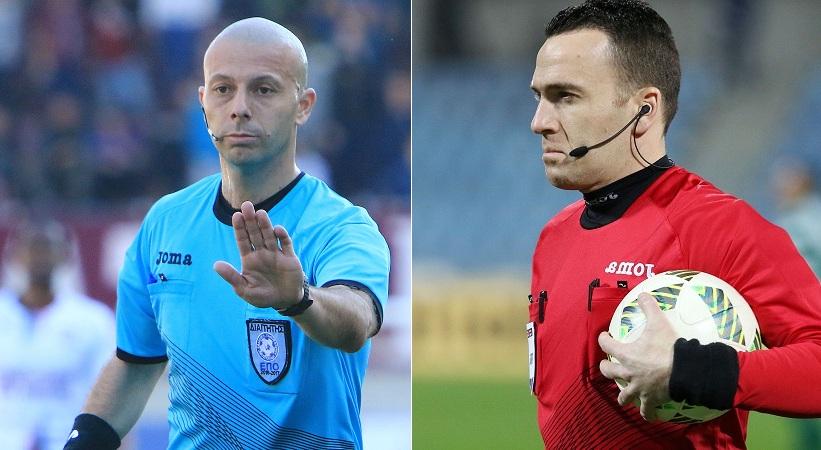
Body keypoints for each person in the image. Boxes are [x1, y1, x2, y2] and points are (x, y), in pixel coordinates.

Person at [64, 17, 390, 450]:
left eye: (263, 89)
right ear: (203, 103)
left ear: (304, 105)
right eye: (223, 89)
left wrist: (299, 299)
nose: (239, 107)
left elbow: (356, 322)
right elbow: (134, 363)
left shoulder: (342, 226)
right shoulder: (165, 222)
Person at [527, 0, 821, 448]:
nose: (539, 123)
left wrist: (695, 370)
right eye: (540, 98)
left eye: (565, 97)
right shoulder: (554, 237)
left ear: (644, 110)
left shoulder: (718, 226)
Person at [0, 221, 115, 450]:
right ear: (14, 255)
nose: (39, 257)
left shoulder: (93, 319)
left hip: (66, 442)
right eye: (32, 248)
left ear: (65, 255)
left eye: (47, 248)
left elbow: (113, 396)